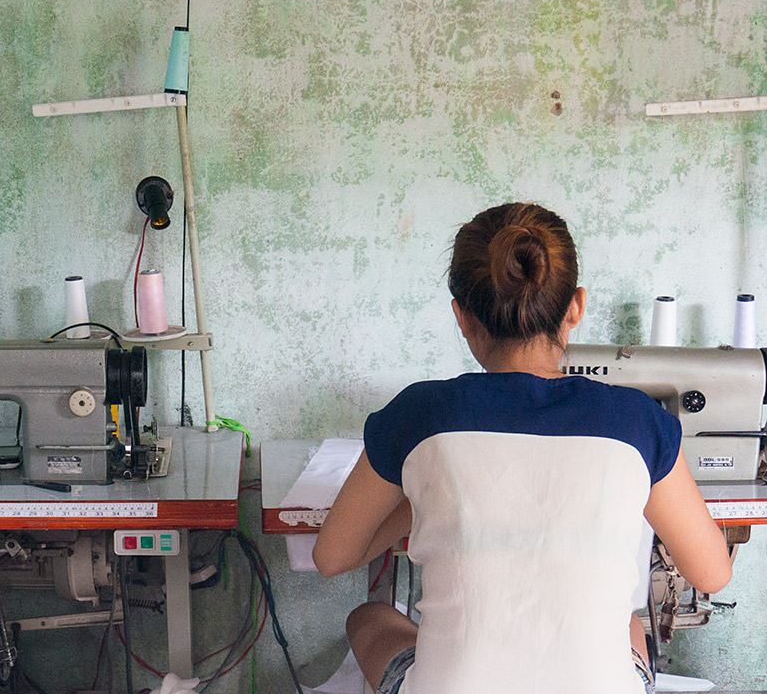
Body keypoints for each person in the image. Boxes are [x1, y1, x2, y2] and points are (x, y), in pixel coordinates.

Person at [313, 202, 733, 694]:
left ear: (462, 317)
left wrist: (422, 496)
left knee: (369, 618)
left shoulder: (419, 414)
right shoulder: (639, 421)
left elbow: (332, 556)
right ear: (575, 307)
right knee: (630, 625)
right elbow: (712, 572)